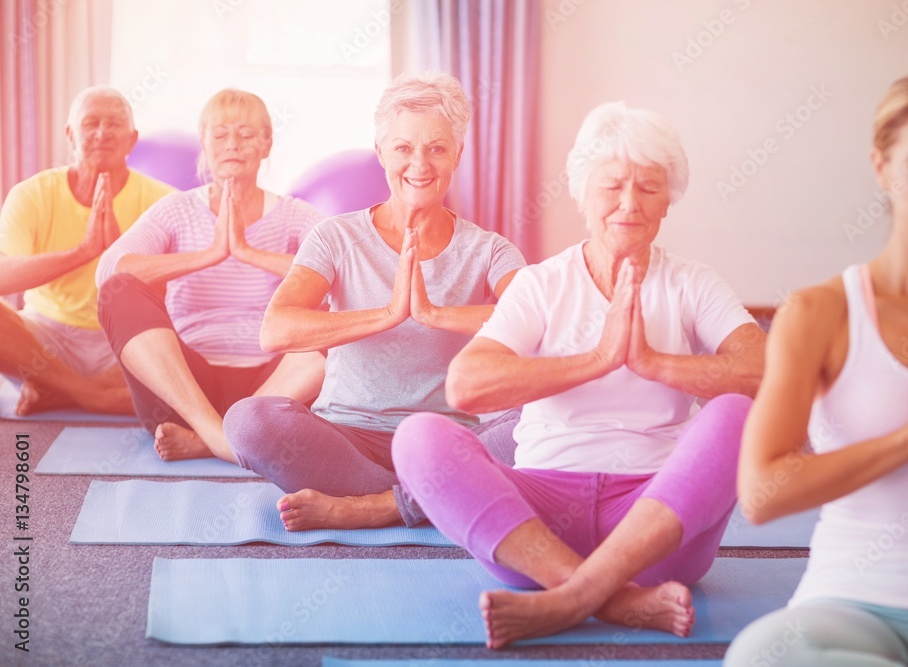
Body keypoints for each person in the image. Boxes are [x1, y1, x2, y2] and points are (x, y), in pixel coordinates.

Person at [392, 101, 768, 649]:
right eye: (613, 186)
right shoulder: (542, 284)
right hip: (538, 523)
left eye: (649, 188)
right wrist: (597, 360)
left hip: (657, 527)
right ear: (583, 193)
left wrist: (653, 363)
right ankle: (612, 600)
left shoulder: (693, 283)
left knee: (741, 414)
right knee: (419, 437)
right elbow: (466, 386)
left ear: (669, 199)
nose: (629, 205)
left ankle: (567, 600)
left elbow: (763, 376)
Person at [725, 71, 908, 667]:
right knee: (759, 657)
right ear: (882, 167)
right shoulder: (820, 312)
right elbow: (761, 495)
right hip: (849, 613)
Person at [222, 72, 526, 531]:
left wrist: (435, 315)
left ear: (458, 154)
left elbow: (540, 323)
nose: (418, 164)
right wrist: (387, 315)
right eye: (403, 147)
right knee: (248, 422)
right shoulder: (335, 236)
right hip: (347, 436)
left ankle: (375, 507)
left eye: (436, 148)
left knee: (540, 422)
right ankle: (425, 499)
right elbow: (277, 329)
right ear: (381, 151)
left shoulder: (491, 250)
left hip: (444, 442)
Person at [96, 89, 324, 462]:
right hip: (186, 388)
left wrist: (250, 254)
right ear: (204, 144)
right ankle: (220, 432)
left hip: (277, 386)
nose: (232, 144)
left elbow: (352, 270)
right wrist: (208, 255)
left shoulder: (294, 216)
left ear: (266, 145)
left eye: (247, 134)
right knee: (117, 291)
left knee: (344, 311)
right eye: (219, 135)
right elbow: (110, 268)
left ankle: (215, 438)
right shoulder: (176, 210)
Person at [0, 86, 173, 416]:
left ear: (132, 139)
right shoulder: (31, 194)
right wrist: (84, 251)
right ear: (70, 134)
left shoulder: (163, 201)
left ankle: (61, 393)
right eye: (91, 123)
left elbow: (181, 297)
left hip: (125, 342)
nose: (102, 133)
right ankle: (95, 396)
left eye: (114, 124)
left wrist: (118, 260)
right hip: (46, 340)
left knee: (201, 343)